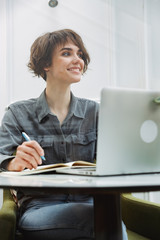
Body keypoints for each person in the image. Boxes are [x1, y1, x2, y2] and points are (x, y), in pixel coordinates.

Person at [0, 29, 128, 240]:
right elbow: (2, 158)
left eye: (80, 55)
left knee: (103, 215)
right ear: (45, 64)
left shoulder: (95, 112)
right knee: (102, 219)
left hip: (90, 201)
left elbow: (117, 159)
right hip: (39, 209)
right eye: (67, 53)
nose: (78, 60)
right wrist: (15, 162)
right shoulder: (17, 113)